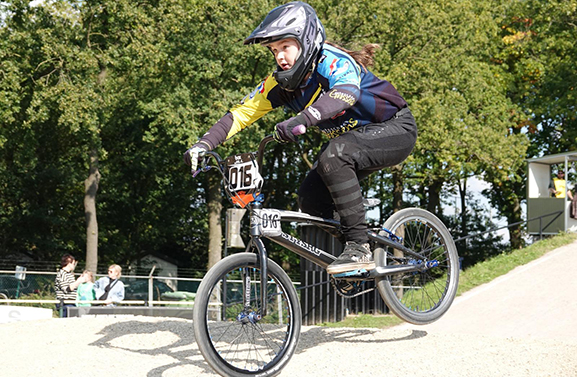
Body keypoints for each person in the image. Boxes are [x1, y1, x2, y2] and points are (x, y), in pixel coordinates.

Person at [184, 2, 417, 275]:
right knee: (310, 198)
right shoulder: (280, 84)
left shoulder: (331, 61)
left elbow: (347, 92)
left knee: (334, 154)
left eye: (285, 46)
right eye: (273, 50)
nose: (280, 56)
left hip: (394, 129)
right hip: (354, 143)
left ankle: (359, 246)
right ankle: (359, 247)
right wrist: (204, 143)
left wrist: (303, 119)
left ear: (305, 41)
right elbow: (241, 114)